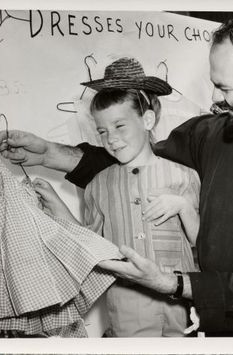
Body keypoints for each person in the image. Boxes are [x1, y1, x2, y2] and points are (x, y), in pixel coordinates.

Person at [0, 15, 233, 336]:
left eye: (224, 87)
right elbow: (137, 165)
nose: (214, 99)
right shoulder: (216, 131)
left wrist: (172, 283)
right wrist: (52, 154)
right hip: (206, 323)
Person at [26, 57, 201, 337]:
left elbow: (204, 246)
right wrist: (57, 207)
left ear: (147, 119)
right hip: (127, 312)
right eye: (103, 131)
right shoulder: (97, 186)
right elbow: (90, 246)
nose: (111, 139)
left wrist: (183, 207)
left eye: (120, 127)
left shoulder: (185, 176)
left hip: (185, 311)